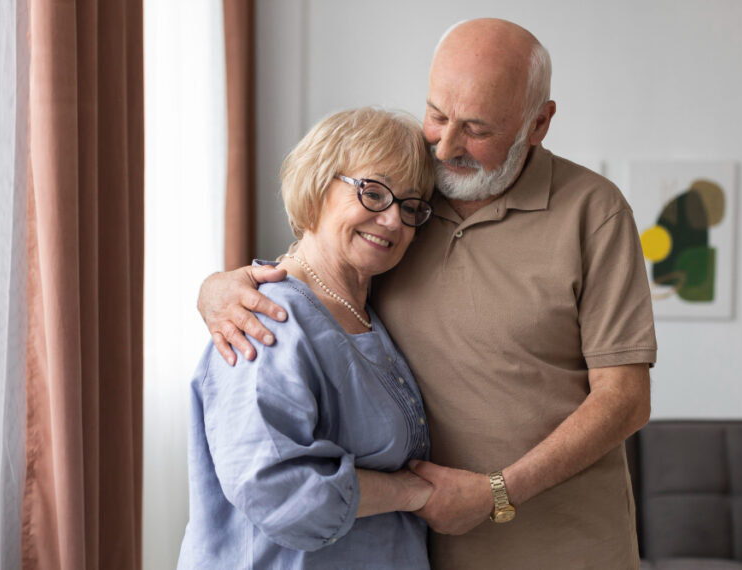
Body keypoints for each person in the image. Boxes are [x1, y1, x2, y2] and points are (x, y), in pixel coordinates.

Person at [198, 18, 657, 569]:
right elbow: (321, 255)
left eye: (479, 129)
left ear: (539, 123)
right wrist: (219, 286)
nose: (446, 147)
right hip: (422, 548)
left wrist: (497, 492)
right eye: (437, 115)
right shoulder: (407, 190)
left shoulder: (594, 213)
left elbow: (625, 400)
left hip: (562, 544)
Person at [177, 107, 438, 569]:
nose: (394, 220)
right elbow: (279, 491)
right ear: (317, 184)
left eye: (410, 206)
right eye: (373, 193)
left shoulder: (370, 312)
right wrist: (414, 493)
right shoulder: (266, 318)